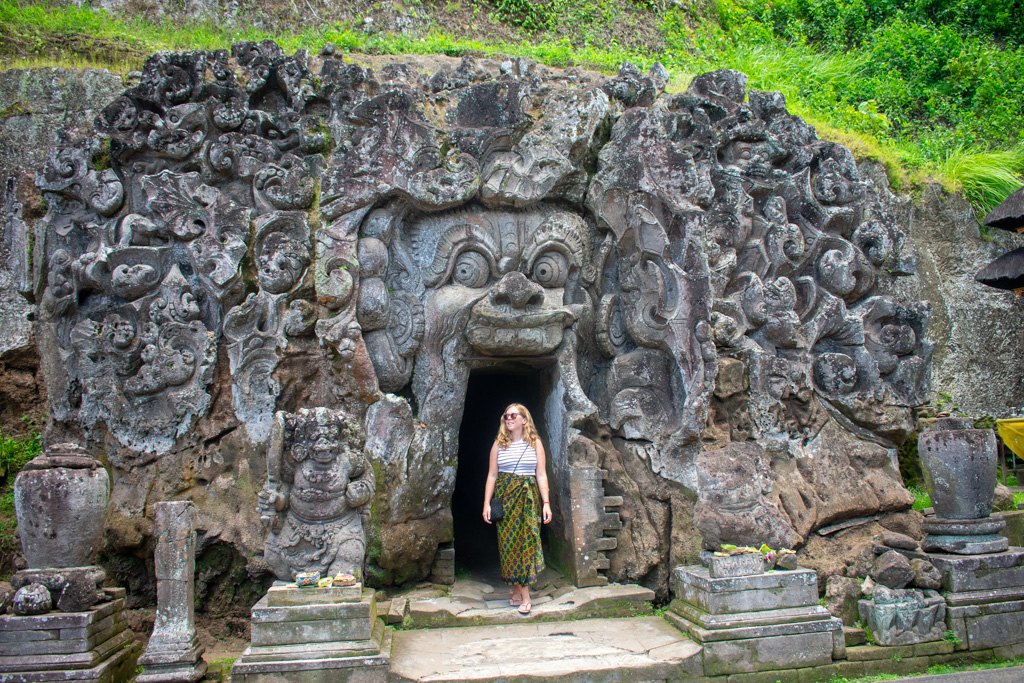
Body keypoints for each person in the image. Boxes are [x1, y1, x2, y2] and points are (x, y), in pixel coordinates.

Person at [482, 403, 552, 615]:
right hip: (505, 498)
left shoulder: (535, 443)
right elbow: (492, 475)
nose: (508, 418)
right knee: (509, 545)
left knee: (527, 542)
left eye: (513, 415)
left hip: (529, 499)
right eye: (506, 416)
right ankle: (516, 590)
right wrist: (486, 503)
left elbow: (541, 474)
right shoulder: (498, 444)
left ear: (524, 419)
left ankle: (525, 596)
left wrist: (546, 503)